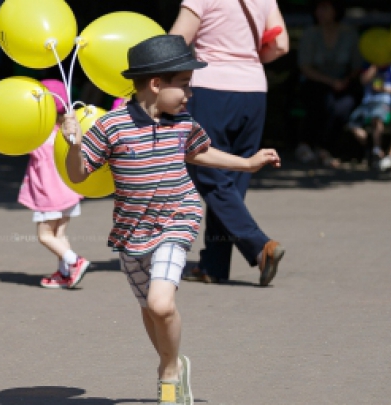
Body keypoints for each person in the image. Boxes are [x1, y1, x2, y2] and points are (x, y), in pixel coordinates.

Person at [63, 35, 281, 405]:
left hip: (176, 220)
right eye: (183, 85)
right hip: (131, 231)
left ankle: (168, 372)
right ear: (155, 84)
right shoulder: (112, 125)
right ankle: (174, 363)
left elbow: (203, 153)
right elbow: (79, 175)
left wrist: (247, 162)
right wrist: (73, 145)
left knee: (162, 304)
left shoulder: (182, 123)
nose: (188, 94)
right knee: (151, 310)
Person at [170, 0, 288, 284]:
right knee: (234, 179)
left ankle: (260, 246)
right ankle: (213, 265)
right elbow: (281, 44)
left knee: (210, 173)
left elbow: (176, 41)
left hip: (211, 87)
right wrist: (245, 60)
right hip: (254, 90)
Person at [17, 79, 90, 289]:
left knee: (45, 235)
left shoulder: (38, 137)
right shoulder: (66, 134)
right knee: (60, 234)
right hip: (69, 192)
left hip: (49, 195)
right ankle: (65, 273)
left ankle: (75, 260)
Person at [295, 0, 363, 166]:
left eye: (325, 8)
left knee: (341, 108)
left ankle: (326, 148)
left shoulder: (349, 34)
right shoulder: (311, 33)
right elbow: (304, 66)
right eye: (318, 8)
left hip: (343, 83)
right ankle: (305, 144)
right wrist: (331, 81)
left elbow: (357, 65)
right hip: (315, 81)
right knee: (319, 102)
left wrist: (345, 80)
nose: (321, 12)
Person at [347, 63, 391, 166]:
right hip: (367, 103)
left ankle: (377, 149)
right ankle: (368, 144)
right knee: (352, 123)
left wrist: (383, 89)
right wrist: (374, 66)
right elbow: (363, 80)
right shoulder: (369, 66)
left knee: (376, 119)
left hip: (383, 102)